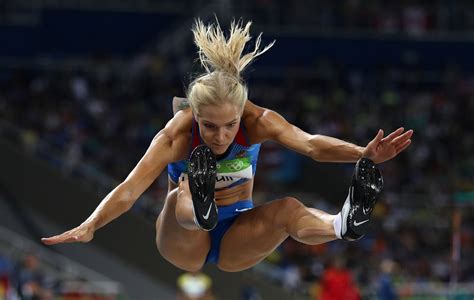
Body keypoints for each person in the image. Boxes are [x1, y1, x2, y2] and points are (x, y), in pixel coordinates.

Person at [41, 19, 413, 272]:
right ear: (194, 115)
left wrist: (362, 153)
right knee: (177, 197)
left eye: (229, 125)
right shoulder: (176, 135)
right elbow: (129, 189)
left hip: (239, 235)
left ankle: (341, 224)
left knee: (288, 209)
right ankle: (199, 210)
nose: (220, 136)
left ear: (241, 114)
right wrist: (91, 224)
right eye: (209, 126)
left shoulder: (259, 121)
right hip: (182, 240)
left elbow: (312, 145)